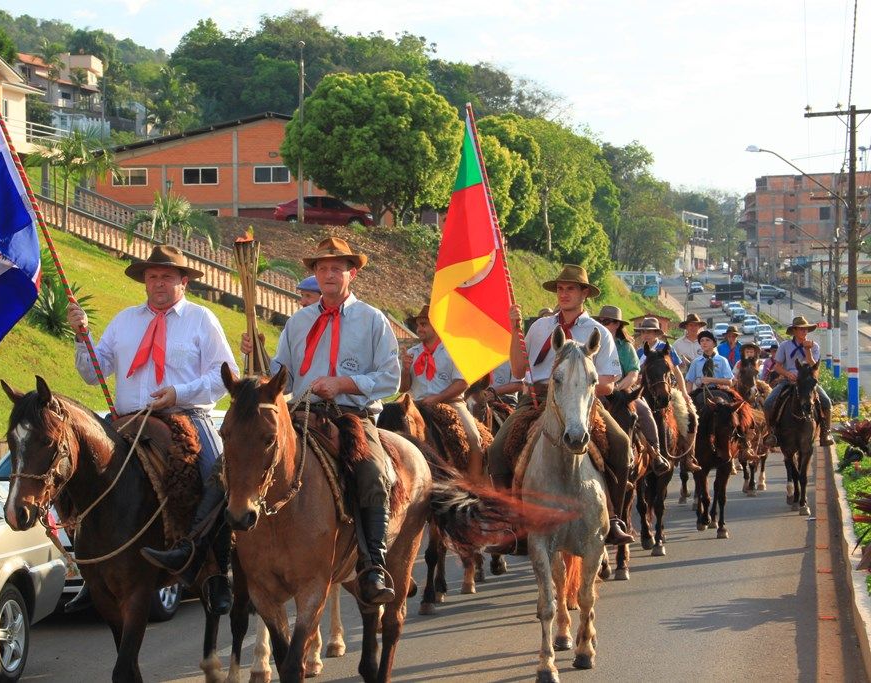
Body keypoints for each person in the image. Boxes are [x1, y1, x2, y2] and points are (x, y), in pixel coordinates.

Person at [66, 245, 239, 615]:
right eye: (153, 276)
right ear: (144, 281)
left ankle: (214, 570)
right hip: (128, 421)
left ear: (184, 281)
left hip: (186, 416)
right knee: (80, 473)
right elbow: (93, 372)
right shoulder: (124, 320)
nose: (159, 283)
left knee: (219, 478)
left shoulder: (202, 319)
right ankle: (92, 570)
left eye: (167, 276)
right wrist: (82, 337)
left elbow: (226, 375)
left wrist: (179, 392)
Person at [241, 236, 401, 604]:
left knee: (373, 474)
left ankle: (373, 565)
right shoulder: (298, 321)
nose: (328, 274)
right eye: (322, 268)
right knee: (238, 465)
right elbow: (281, 379)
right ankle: (230, 560)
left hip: (352, 416)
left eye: (336, 268)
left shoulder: (373, 320)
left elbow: (391, 379)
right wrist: (257, 356)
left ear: (352, 273)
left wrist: (344, 383)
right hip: (301, 414)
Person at [488, 264, 635, 546]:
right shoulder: (539, 327)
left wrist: (576, 387)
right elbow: (518, 370)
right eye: (560, 288)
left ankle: (614, 517)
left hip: (582, 401)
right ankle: (509, 523)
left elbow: (608, 383)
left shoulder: (598, 332)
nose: (564, 294)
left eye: (570, 289)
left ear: (584, 293)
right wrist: (515, 329)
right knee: (496, 450)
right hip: (537, 400)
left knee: (621, 443)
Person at [399, 304, 485, 481]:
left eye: (424, 324)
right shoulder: (412, 353)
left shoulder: (453, 351)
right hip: (416, 405)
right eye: (418, 324)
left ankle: (476, 482)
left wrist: (437, 398)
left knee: (474, 438)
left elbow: (462, 383)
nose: (419, 329)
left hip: (451, 403)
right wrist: (405, 371)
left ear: (436, 326)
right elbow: (403, 388)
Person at [595, 305, 671, 475]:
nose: (602, 324)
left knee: (644, 411)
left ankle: (656, 453)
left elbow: (633, 373)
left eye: (606, 321)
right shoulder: (592, 343)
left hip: (622, 391)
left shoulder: (625, 347)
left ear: (617, 324)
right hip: (596, 391)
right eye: (601, 321)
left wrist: (617, 388)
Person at [763, 316, 834, 447]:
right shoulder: (785, 345)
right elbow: (777, 366)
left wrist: (807, 350)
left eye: (806, 329)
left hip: (807, 382)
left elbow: (814, 366)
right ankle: (771, 433)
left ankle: (826, 433)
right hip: (788, 381)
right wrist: (787, 374)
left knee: (826, 402)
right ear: (794, 331)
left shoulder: (814, 346)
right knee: (768, 403)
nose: (804, 331)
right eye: (801, 329)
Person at [635, 317, 689, 394]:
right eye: (643, 332)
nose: (645, 335)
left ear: (656, 333)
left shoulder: (666, 348)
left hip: (665, 389)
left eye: (649, 332)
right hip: (643, 389)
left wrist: (684, 392)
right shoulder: (639, 352)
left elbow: (677, 372)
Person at [685, 330, 733, 394]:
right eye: (702, 341)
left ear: (714, 343)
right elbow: (690, 381)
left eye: (707, 340)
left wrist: (711, 380)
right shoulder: (696, 362)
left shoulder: (722, 360)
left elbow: (729, 382)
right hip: (701, 391)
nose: (704, 343)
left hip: (720, 391)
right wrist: (688, 396)